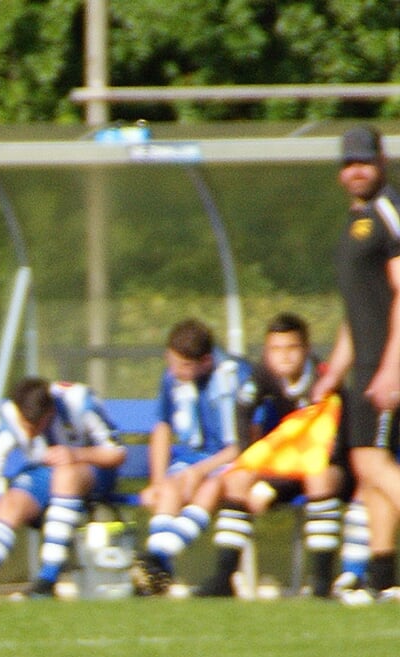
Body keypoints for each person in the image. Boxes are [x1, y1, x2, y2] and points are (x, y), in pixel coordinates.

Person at [189, 313, 345, 598]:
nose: (283, 357)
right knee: (238, 479)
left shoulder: (324, 381)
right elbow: (243, 406)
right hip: (288, 466)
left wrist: (272, 487)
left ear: (306, 349)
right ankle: (225, 577)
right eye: (275, 349)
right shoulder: (263, 374)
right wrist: (249, 459)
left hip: (326, 464)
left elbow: (331, 447)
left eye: (291, 348)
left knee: (319, 477)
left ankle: (322, 582)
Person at [310, 125, 400, 600]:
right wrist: (332, 376)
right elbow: (357, 309)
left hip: (388, 362)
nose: (356, 170)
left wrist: (391, 367)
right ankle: (384, 577)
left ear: (380, 162)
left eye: (364, 161)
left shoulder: (389, 211)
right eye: (348, 163)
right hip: (366, 362)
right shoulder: (355, 221)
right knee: (372, 468)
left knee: (369, 460)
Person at [0, 377, 125, 598]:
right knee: (10, 502)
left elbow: (116, 452)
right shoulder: (5, 420)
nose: (29, 433)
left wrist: (76, 454)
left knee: (65, 476)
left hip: (93, 471)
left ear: (48, 415)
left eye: (34, 427)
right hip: (48, 474)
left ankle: (46, 581)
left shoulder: (78, 402)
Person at [129, 318, 255, 595]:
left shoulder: (235, 377)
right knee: (170, 489)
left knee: (210, 488)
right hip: (192, 460)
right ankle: (157, 573)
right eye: (171, 361)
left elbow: (242, 444)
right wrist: (158, 480)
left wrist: (200, 471)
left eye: (183, 365)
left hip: (230, 461)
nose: (174, 371)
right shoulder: (173, 376)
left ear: (206, 361)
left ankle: (157, 561)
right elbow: (162, 427)